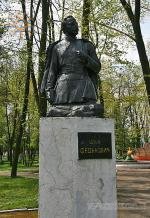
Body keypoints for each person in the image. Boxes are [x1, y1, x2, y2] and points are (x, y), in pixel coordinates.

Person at [41, 16, 103, 116]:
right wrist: (49, 90)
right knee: (54, 112)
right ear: (64, 28)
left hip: (84, 86)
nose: (76, 26)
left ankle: (76, 111)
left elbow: (97, 68)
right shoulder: (57, 47)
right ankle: (73, 111)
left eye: (76, 24)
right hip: (63, 87)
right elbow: (52, 71)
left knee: (97, 109)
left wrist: (86, 58)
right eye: (72, 24)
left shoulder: (86, 45)